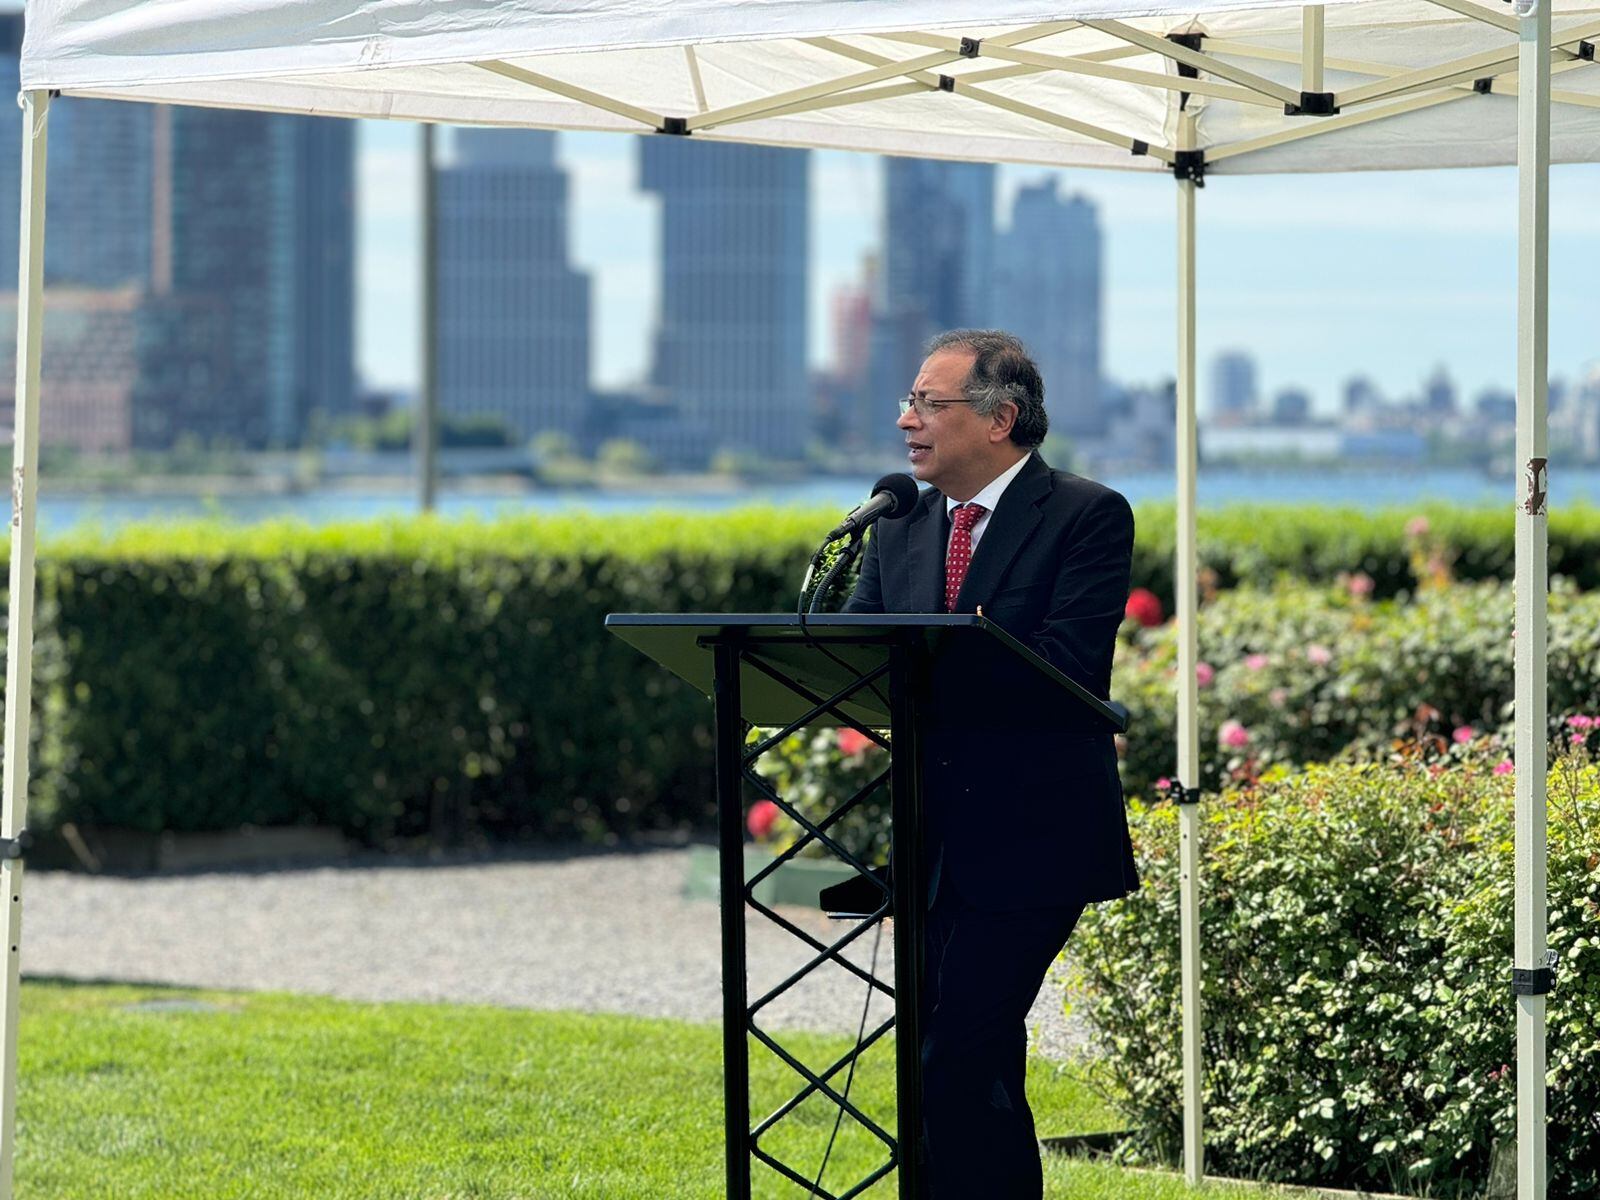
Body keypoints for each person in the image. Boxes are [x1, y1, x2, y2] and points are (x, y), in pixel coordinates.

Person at [842, 329, 1138, 1199]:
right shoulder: (896, 523)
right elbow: (858, 657)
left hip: (1035, 842)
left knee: (956, 1049)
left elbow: (1066, 669)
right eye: (908, 401)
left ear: (1001, 417)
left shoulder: (1087, 515)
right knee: (960, 1066)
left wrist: (933, 670)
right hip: (930, 843)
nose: (906, 420)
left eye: (930, 404)